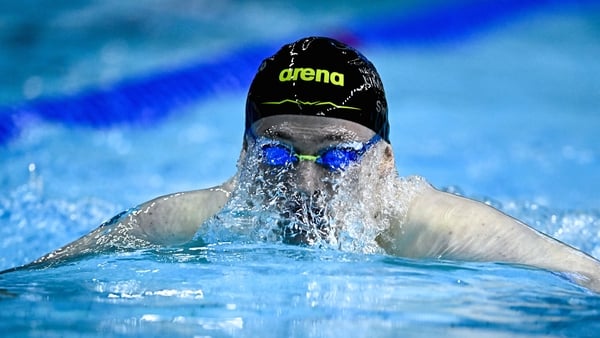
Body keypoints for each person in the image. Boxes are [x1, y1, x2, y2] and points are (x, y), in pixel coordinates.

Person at [6, 36, 600, 292]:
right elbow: (34, 280)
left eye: (338, 156)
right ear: (242, 158)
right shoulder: (195, 220)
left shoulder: (435, 229)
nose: (305, 184)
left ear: (385, 163)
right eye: (275, 152)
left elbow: (585, 276)